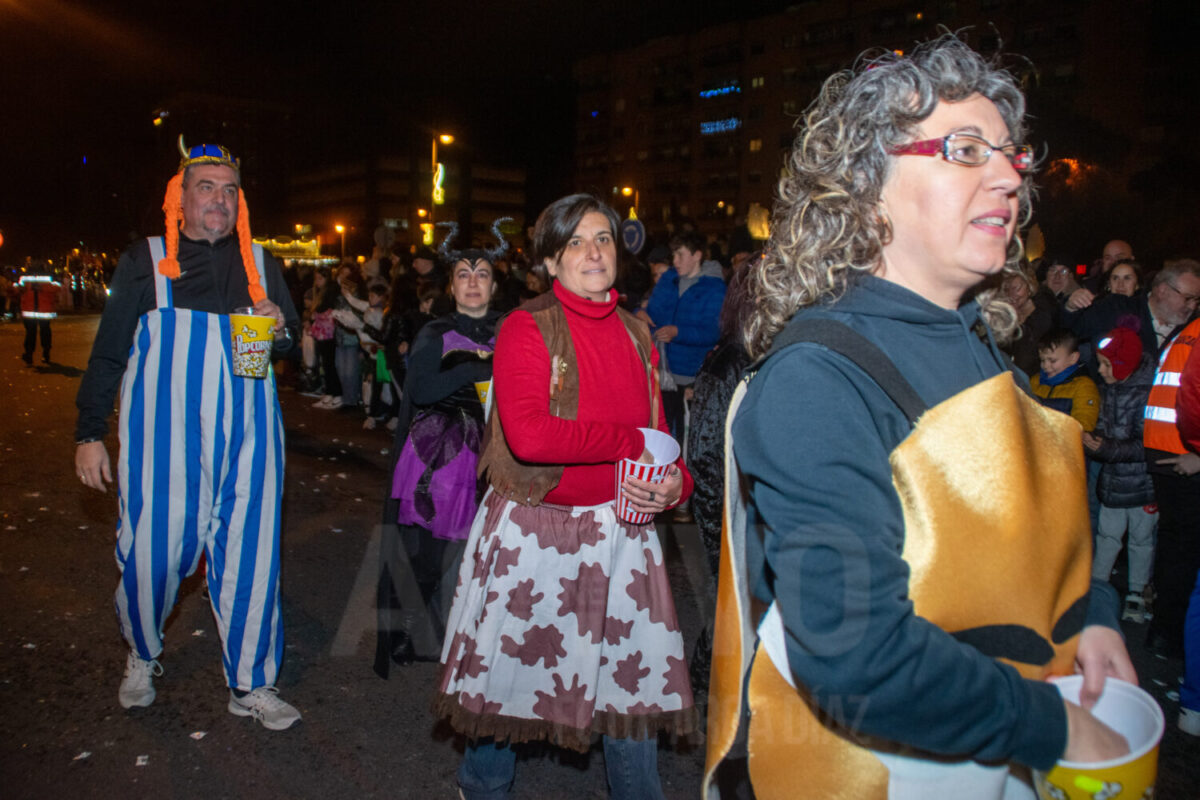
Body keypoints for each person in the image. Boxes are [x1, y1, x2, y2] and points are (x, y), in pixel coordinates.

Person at [705, 37, 1133, 799]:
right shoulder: (818, 379)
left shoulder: (981, 344)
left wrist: (1092, 615)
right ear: (867, 186)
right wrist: (1054, 726)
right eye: (965, 150)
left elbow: (1039, 529)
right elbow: (858, 658)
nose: (1009, 176)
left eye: (1010, 154)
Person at [435, 194, 696, 800]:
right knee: (507, 683)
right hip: (537, 529)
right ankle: (482, 784)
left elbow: (663, 437)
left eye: (602, 238)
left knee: (629, 683)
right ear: (551, 261)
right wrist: (631, 440)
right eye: (574, 241)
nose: (592, 251)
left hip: (621, 534)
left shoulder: (638, 332)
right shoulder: (527, 326)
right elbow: (529, 435)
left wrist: (672, 484)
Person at [74, 138, 302, 729]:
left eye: (230, 191)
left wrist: (280, 329)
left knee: (252, 560)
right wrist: (89, 432)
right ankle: (142, 652)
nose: (219, 201)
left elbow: (289, 341)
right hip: (163, 446)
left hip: (250, 441)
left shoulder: (260, 262)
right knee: (151, 559)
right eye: (207, 188)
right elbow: (107, 355)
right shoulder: (144, 261)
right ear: (181, 196)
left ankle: (252, 683)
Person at [373, 225, 504, 671]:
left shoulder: (511, 330)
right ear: (451, 285)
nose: (472, 281)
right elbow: (423, 390)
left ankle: (457, 632)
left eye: (482, 273)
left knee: (478, 556)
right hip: (440, 456)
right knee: (429, 555)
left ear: (494, 284)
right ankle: (404, 633)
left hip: (491, 454)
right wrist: (476, 368)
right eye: (463, 274)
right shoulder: (437, 331)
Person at [1085, 324, 1157, 622]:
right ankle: (1096, 586)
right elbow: (1103, 425)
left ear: (1123, 364)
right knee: (1107, 535)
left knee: (1142, 540)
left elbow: (1147, 444)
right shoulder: (1109, 389)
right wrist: (1095, 439)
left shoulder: (1147, 393)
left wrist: (1105, 447)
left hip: (1142, 482)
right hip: (1114, 480)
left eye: (1106, 364)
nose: (1100, 371)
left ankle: (1136, 594)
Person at [1143, 289, 1200, 663]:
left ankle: (1164, 632)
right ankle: (1172, 635)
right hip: (1184, 452)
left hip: (1166, 446)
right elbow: (1193, 396)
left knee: (1175, 546)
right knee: (1184, 552)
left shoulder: (1189, 330)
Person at [639, 231, 727, 443]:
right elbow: (652, 313)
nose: (675, 261)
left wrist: (678, 332)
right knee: (665, 434)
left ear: (697, 255)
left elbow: (714, 331)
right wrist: (639, 315)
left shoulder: (714, 288)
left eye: (680, 255)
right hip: (663, 372)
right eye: (673, 255)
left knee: (690, 437)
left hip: (692, 376)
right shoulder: (669, 280)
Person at [1030, 328, 1100, 432]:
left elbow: (1083, 425)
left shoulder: (1083, 387)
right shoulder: (1035, 381)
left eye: (1052, 360)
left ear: (1073, 358)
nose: (1045, 366)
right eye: (1042, 360)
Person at [1001, 267, 1054, 375]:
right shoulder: (1002, 316)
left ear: (1030, 287)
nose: (1011, 294)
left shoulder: (1043, 318)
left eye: (1017, 288)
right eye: (1006, 289)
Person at [18, 264, 61, 364]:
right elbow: (58, 287)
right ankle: (36, 353)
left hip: (35, 310)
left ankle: (38, 353)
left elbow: (57, 287)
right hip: (39, 310)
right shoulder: (48, 276)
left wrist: (41, 288)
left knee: (34, 333)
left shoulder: (25, 277)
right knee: (38, 332)